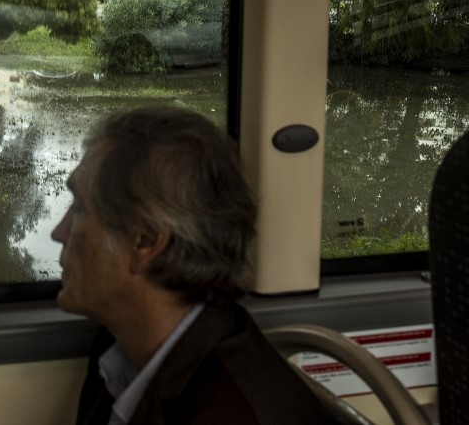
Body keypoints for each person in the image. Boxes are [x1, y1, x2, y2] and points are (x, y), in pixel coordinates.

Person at [52, 106, 330, 424]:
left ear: (144, 242)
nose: (58, 232)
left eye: (79, 209)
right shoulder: (118, 348)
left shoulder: (226, 413)